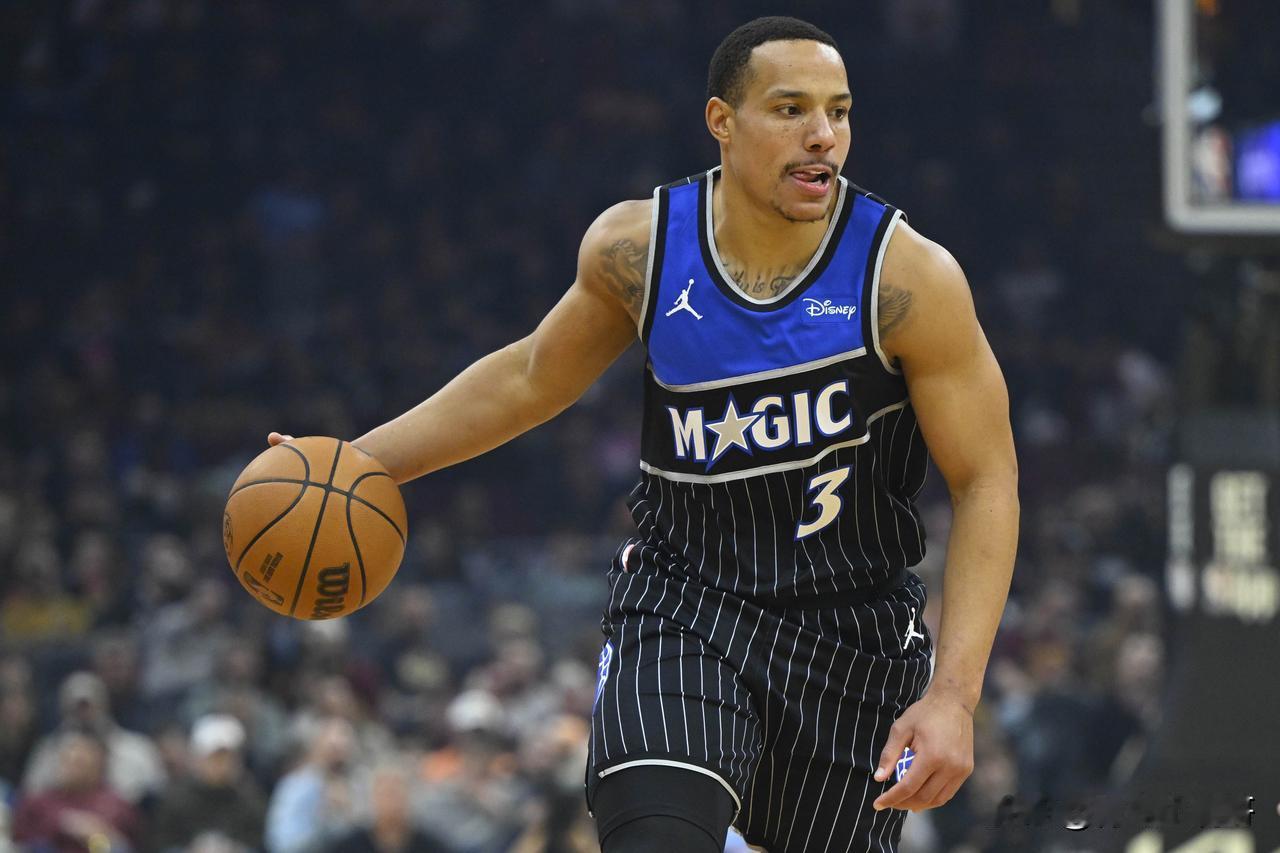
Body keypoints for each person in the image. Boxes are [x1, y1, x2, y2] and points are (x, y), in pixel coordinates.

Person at [269, 15, 1018, 852]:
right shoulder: (642, 247)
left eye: (838, 111)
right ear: (721, 121)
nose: (823, 135)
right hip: (686, 606)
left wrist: (955, 695)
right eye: (791, 109)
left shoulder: (907, 276)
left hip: (850, 641)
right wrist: (354, 463)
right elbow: (528, 378)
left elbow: (986, 479)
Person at [149, 714, 267, 852]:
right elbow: (163, 842)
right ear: (198, 759)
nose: (223, 765)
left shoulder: (251, 797)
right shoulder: (177, 797)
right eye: (215, 758)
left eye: (229, 757)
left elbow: (259, 841)